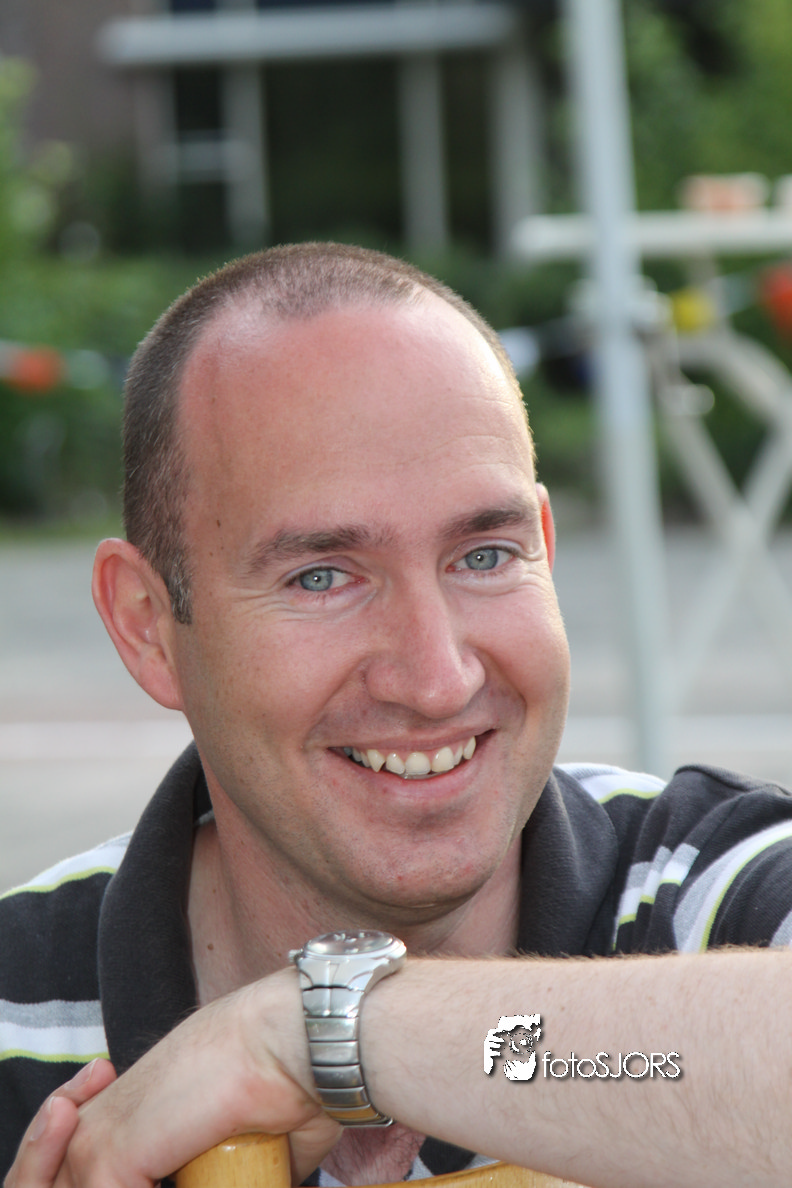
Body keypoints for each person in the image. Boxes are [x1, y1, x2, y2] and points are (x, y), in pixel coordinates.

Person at [4, 243, 792, 1188]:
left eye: (484, 555)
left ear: (544, 549)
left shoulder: (704, 890)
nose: (437, 679)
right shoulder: (13, 1007)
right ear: (147, 626)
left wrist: (316, 1032)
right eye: (321, 577)